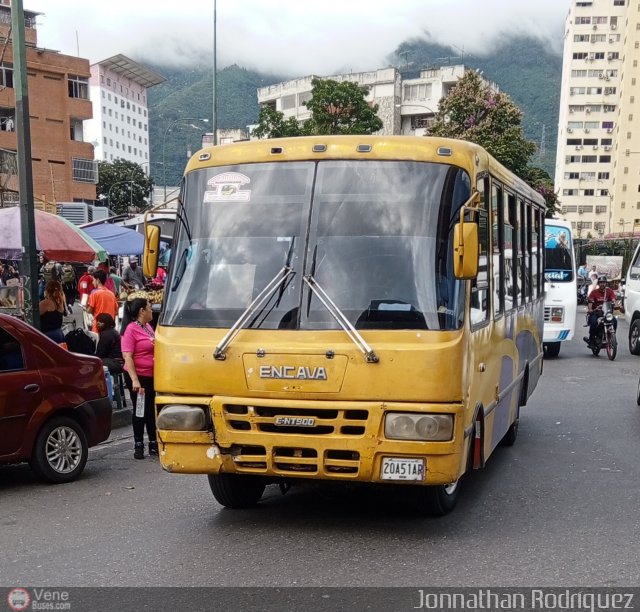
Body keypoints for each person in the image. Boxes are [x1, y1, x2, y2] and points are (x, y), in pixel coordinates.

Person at [121, 298, 157, 459]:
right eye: (149, 308)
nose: (151, 310)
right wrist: (135, 380)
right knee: (140, 410)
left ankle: (153, 443)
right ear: (142, 311)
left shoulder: (148, 327)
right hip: (139, 377)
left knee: (151, 411)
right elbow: (128, 357)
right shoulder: (131, 330)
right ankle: (138, 445)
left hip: (151, 376)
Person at [584, 275, 618, 347]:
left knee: (614, 321)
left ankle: (611, 336)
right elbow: (590, 303)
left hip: (606, 313)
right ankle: (592, 340)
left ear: (606, 283)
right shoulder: (594, 292)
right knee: (593, 322)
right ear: (599, 284)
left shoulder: (609, 291)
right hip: (596, 313)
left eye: (604, 282)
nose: (602, 284)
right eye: (601, 282)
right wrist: (591, 309)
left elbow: (613, 299)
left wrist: (616, 305)